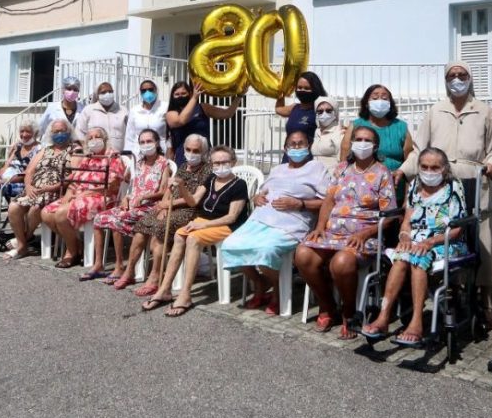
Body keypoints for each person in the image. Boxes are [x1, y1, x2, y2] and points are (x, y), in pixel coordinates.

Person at [400, 61, 492, 327]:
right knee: (447, 232)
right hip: (441, 182)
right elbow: (419, 149)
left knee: (483, 239)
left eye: (462, 75)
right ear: (445, 80)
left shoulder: (484, 111)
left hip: (475, 179)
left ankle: (486, 301)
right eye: (451, 76)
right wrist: (403, 171)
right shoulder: (436, 111)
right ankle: (453, 293)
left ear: (470, 78)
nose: (457, 79)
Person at [295, 125, 397, 339]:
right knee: (303, 255)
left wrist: (365, 233)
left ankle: (349, 313)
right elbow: (329, 200)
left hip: (364, 237)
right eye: (357, 139)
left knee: (341, 262)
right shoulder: (342, 168)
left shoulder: (382, 173)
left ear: (375, 146)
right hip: (332, 234)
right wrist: (320, 227)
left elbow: (390, 216)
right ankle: (327, 306)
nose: (361, 143)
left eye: (366, 140)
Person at [361, 147, 467, 345]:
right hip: (417, 240)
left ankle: (416, 322)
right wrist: (404, 238)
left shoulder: (454, 187)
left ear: (444, 169)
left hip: (445, 242)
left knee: (418, 258)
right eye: (424, 166)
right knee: (401, 258)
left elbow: (457, 229)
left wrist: (429, 242)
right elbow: (407, 221)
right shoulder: (415, 185)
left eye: (435, 167)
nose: (429, 171)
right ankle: (383, 317)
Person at [222, 131, 330, 315]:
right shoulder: (278, 169)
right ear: (285, 148)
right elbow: (264, 191)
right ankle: (260, 283)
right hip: (260, 218)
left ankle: (278, 291)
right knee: (230, 245)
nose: (296, 147)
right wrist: (257, 197)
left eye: (300, 143)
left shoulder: (317, 168)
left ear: (308, 146)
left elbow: (328, 201)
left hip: (292, 222)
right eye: (292, 144)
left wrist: (300, 203)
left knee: (265, 250)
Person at [143, 146, 249, 316]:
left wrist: (203, 226)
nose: (220, 166)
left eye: (224, 162)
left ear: (233, 162)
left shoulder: (239, 185)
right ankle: (164, 289)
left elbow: (231, 217)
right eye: (216, 163)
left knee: (193, 238)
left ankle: (185, 294)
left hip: (227, 226)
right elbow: (193, 201)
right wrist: (182, 186)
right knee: (179, 235)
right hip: (205, 221)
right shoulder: (211, 178)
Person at [110, 134, 211, 295]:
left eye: (196, 150)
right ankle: (129, 271)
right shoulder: (183, 166)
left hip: (189, 211)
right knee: (141, 226)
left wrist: (169, 204)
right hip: (169, 206)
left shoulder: (207, 170)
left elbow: (195, 200)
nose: (191, 153)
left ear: (204, 152)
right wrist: (163, 206)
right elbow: (169, 190)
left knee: (159, 229)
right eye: (188, 149)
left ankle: (155, 277)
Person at [83, 129, 170, 282]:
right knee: (99, 218)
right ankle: (98, 264)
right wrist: (126, 198)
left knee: (117, 220)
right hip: (133, 205)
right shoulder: (139, 163)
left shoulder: (164, 164)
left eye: (149, 141)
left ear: (156, 143)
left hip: (150, 206)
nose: (146, 145)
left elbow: (163, 192)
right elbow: (131, 186)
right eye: (142, 142)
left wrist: (144, 196)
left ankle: (119, 266)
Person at [40, 127, 125, 268]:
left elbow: (113, 186)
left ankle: (71, 253)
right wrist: (68, 194)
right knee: (46, 213)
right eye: (90, 138)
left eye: (97, 137)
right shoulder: (88, 158)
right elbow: (75, 179)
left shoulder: (113, 157)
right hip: (79, 195)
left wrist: (88, 193)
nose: (94, 141)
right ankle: (77, 245)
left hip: (102, 197)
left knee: (61, 214)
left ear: (104, 140)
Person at [5, 119, 74, 259]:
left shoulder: (74, 150)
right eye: (55, 131)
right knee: (14, 207)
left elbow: (73, 176)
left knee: (36, 208)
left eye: (62, 131)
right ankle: (23, 242)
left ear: (68, 132)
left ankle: (23, 243)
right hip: (35, 188)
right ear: (51, 133)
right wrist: (29, 186)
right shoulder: (45, 150)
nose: (59, 134)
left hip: (55, 190)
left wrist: (51, 187)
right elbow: (29, 171)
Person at [340, 84, 413, 200]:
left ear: (390, 104)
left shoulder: (401, 127)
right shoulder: (355, 126)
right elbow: (344, 160)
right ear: (366, 103)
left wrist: (407, 197)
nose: (380, 101)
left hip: (394, 189)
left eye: (384, 98)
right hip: (360, 189)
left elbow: (410, 164)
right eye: (374, 98)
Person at [165, 80, 241, 164]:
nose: (180, 96)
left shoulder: (202, 108)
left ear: (189, 94)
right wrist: (194, 98)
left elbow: (227, 113)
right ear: (172, 96)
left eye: (183, 93)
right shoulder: (171, 114)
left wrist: (239, 96)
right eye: (177, 94)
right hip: (184, 158)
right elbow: (181, 121)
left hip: (205, 155)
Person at [274, 71, 327, 144]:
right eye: (299, 87)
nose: (302, 90)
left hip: (309, 154)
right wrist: (281, 87)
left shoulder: (320, 111)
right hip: (289, 154)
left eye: (306, 88)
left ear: (315, 89)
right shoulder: (294, 107)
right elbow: (279, 109)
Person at [76, 81, 127, 153]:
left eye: (110, 91)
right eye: (103, 92)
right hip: (95, 158)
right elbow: (80, 133)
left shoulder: (123, 111)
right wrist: (85, 151)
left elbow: (130, 135)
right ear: (97, 95)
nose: (107, 94)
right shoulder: (89, 110)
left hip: (119, 157)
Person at [124, 79, 168, 157]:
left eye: (150, 89)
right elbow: (130, 135)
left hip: (160, 152)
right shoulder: (134, 110)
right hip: (139, 153)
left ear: (156, 90)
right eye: (144, 90)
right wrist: (128, 155)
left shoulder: (165, 107)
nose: (147, 93)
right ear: (140, 93)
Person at [38, 76, 85, 141]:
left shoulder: (83, 109)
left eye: (75, 89)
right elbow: (41, 127)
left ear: (78, 91)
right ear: (63, 90)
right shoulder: (52, 108)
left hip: (75, 147)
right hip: (54, 146)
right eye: (69, 89)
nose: (72, 92)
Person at [311, 96, 347, 171]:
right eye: (320, 111)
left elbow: (343, 160)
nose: (324, 114)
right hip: (314, 175)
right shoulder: (316, 132)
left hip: (332, 176)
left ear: (335, 112)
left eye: (328, 111)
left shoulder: (341, 132)